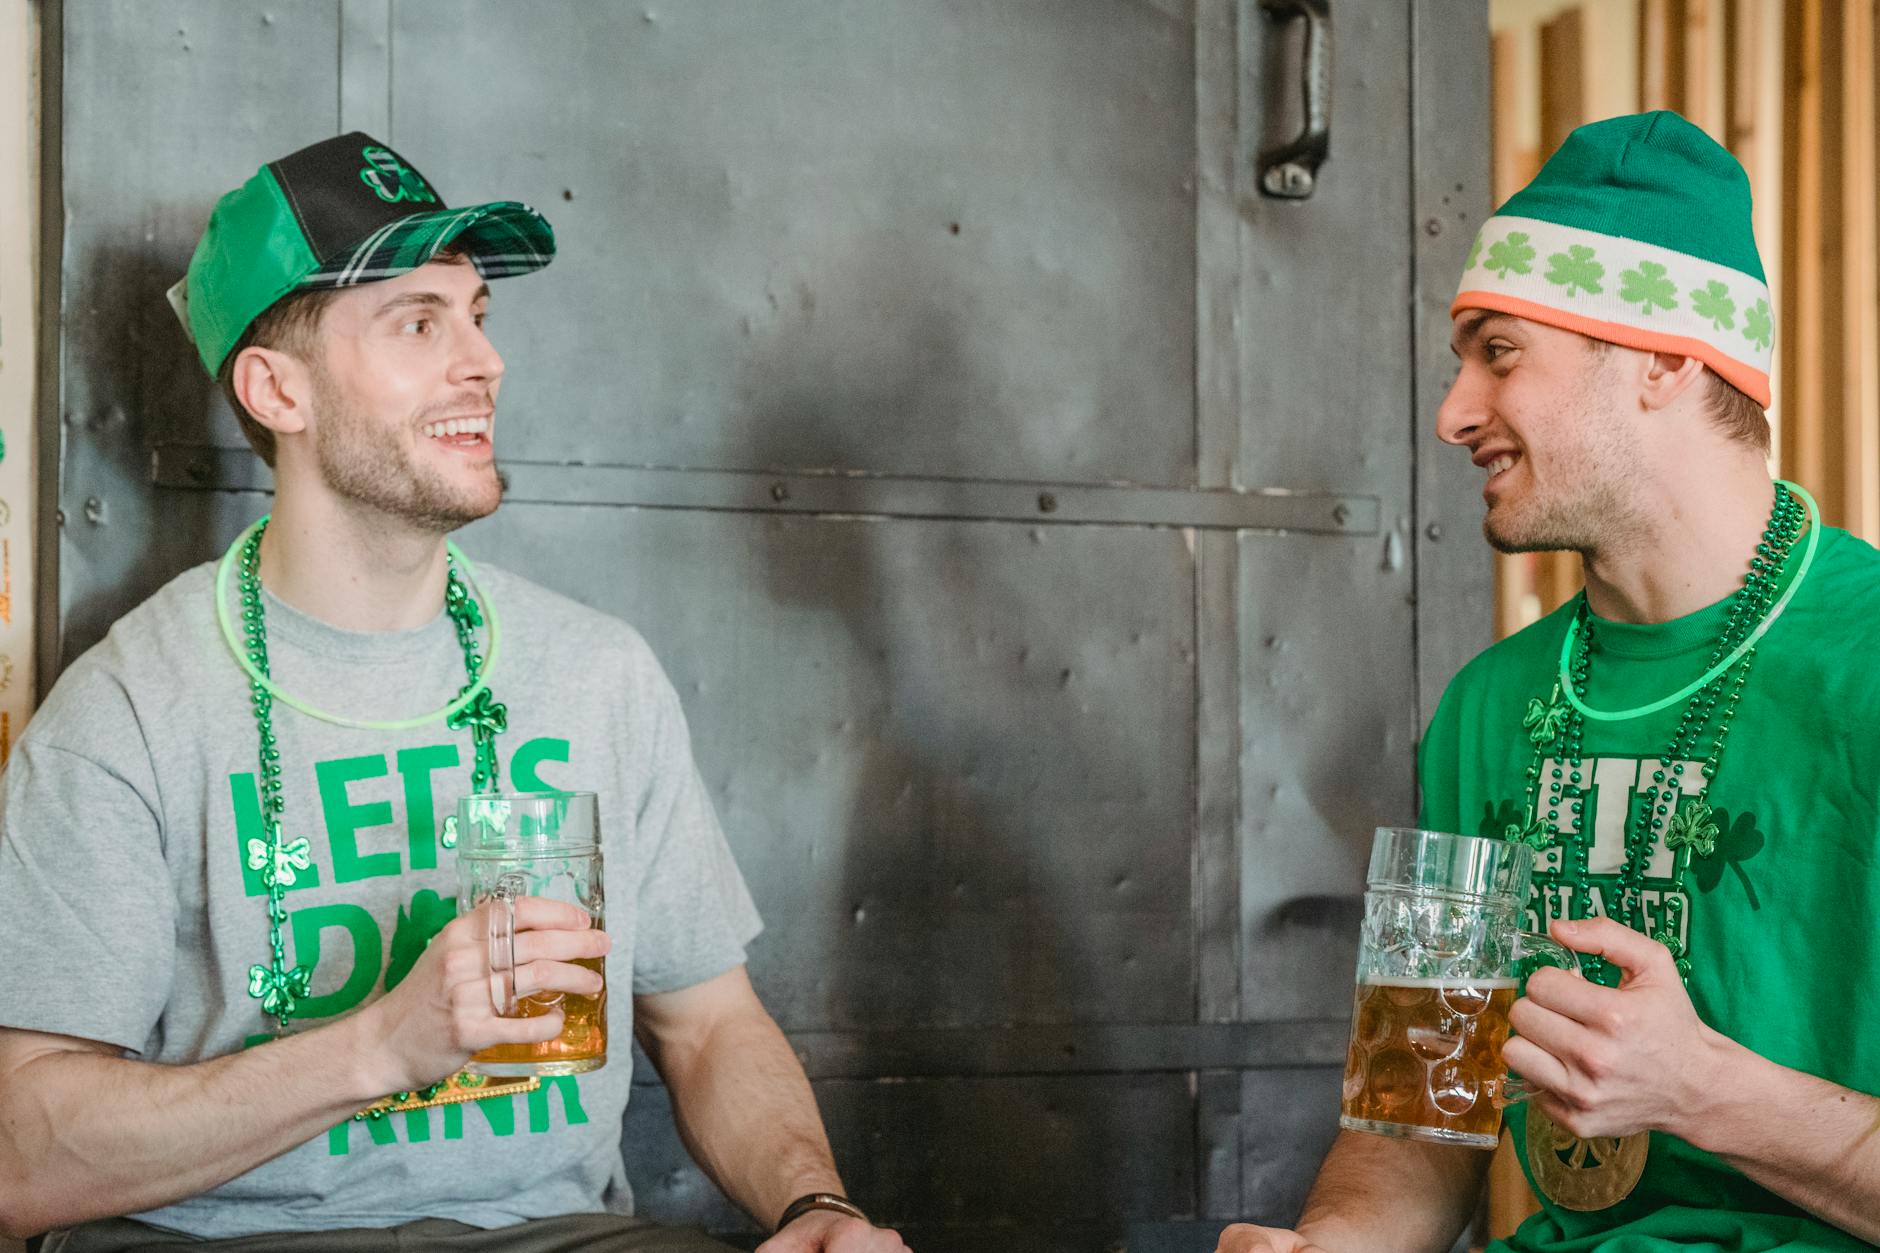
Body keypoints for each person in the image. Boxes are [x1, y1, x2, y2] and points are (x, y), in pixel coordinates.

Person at [0, 132, 908, 1253]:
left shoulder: (595, 673)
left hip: (548, 1233)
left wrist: (813, 1202)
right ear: (276, 386)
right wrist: (381, 1043)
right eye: (418, 322)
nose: (484, 361)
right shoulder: (130, 710)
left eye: (478, 315)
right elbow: (19, 1151)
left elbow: (711, 1023)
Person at [1217, 111, 1880, 1252]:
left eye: (1499, 352)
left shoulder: (1860, 662)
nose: (1452, 412)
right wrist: (1327, 1243)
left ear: (1667, 357)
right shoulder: (1483, 707)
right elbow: (1419, 1107)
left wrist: (1701, 1089)